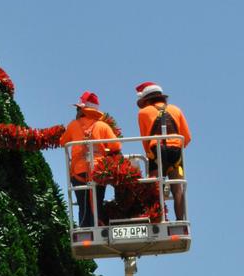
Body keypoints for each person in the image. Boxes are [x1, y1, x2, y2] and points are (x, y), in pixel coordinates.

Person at [61, 91, 121, 227]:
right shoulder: (103, 126)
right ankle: (98, 227)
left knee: (83, 205)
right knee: (97, 202)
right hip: (99, 171)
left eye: (78, 109)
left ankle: (85, 230)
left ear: (83, 110)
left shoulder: (73, 125)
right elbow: (116, 145)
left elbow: (62, 142)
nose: (76, 112)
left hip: (78, 172)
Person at [135, 81, 191, 220]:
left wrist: (150, 156)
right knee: (177, 188)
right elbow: (187, 137)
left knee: (154, 187)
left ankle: (157, 219)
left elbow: (145, 139)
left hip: (157, 150)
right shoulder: (176, 110)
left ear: (146, 99)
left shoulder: (143, 112)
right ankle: (180, 220)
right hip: (176, 151)